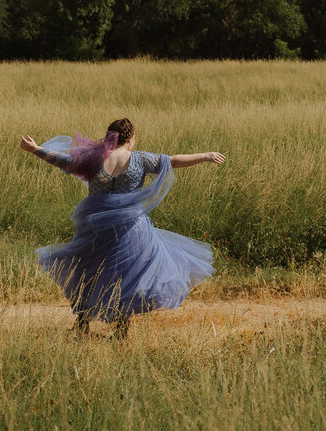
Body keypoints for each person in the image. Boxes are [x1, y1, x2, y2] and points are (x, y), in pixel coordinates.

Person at [20, 118, 224, 338]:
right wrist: (205, 156)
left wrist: (35, 149)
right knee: (125, 276)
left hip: (96, 227)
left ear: (109, 138)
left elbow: (63, 161)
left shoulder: (94, 160)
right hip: (131, 228)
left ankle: (82, 324)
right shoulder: (139, 159)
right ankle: (121, 330)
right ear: (131, 139)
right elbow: (173, 161)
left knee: (89, 272)